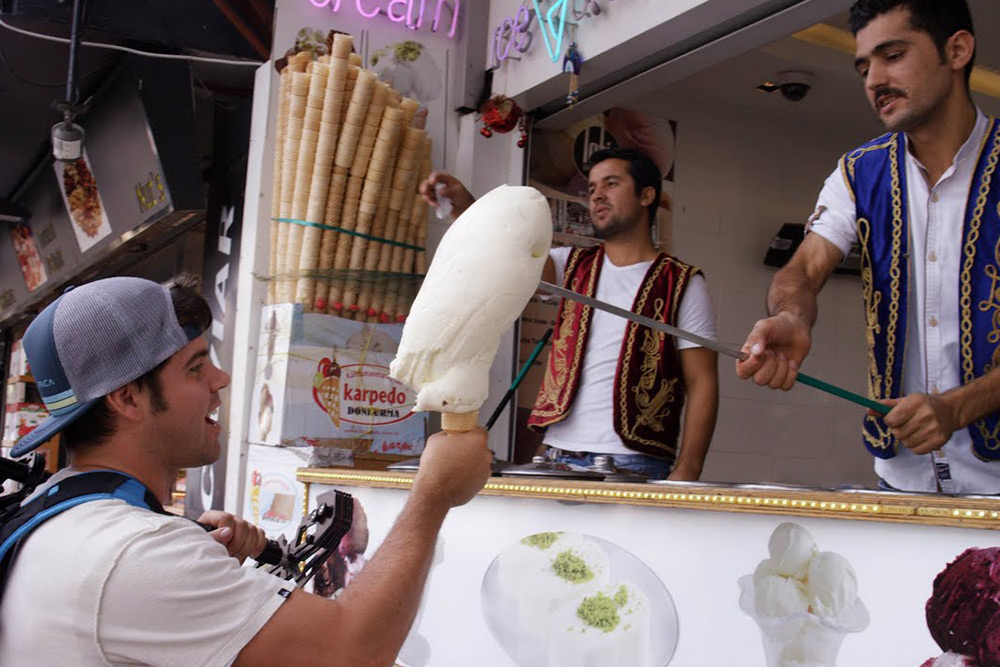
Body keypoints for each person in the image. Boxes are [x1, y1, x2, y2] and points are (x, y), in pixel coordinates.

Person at [0, 276, 493, 666]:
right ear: (128, 398)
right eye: (195, 367)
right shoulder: (135, 553)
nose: (221, 379)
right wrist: (434, 494)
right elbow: (351, 654)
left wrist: (202, 555)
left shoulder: (60, 512)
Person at [736, 0, 1000, 493]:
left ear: (957, 50)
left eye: (893, 56)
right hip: (902, 479)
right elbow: (804, 269)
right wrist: (792, 316)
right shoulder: (859, 172)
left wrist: (956, 407)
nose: (875, 80)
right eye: (864, 68)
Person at [422, 147, 719, 481]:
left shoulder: (681, 282)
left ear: (646, 196)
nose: (597, 196)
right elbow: (508, 252)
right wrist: (468, 208)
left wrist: (688, 468)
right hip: (556, 455)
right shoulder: (571, 264)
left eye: (611, 184)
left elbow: (702, 382)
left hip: (635, 462)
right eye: (592, 188)